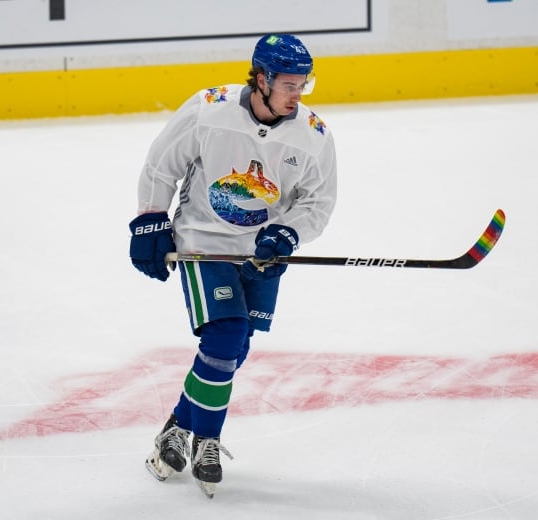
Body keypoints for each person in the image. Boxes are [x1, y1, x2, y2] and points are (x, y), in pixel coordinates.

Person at [128, 34, 337, 496]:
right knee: (223, 339)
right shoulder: (210, 109)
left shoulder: (313, 134)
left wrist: (289, 233)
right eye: (287, 85)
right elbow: (162, 166)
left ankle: (177, 427)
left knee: (234, 350)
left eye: (304, 85)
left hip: (262, 253)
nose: (297, 95)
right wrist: (149, 219)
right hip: (203, 244)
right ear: (260, 79)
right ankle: (207, 439)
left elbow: (318, 203)